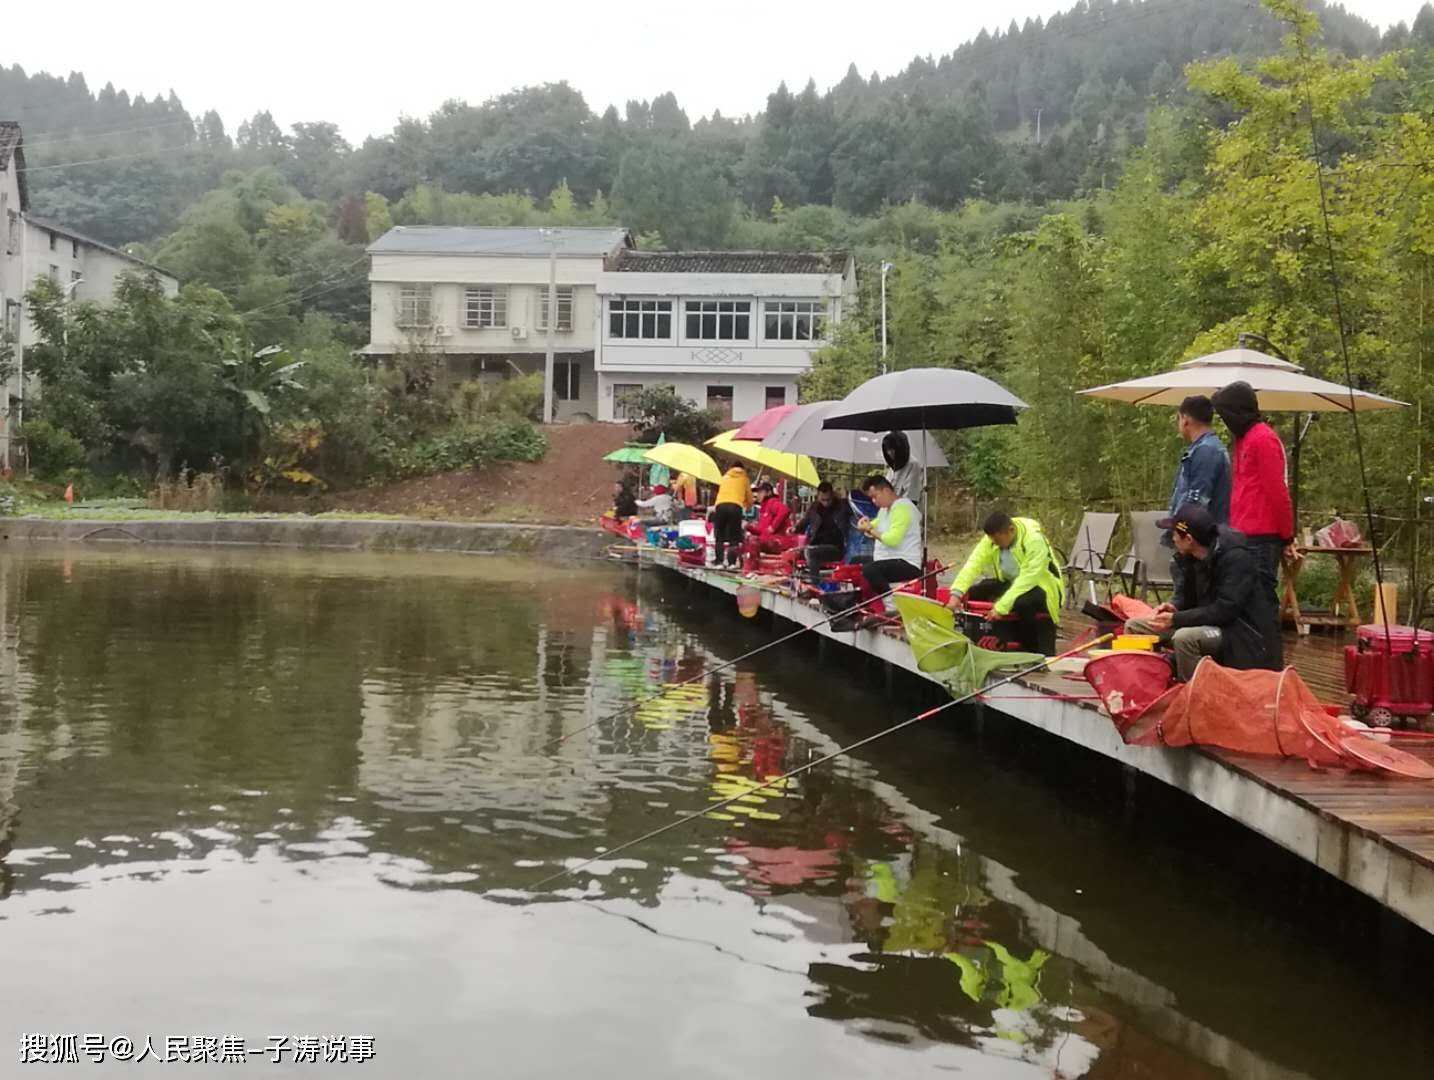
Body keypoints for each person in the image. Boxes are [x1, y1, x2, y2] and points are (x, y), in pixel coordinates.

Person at [1125, 503, 1282, 680]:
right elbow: (1188, 600)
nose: (1172, 539)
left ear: (1189, 539)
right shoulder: (1190, 558)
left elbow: (1224, 610)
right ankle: (1143, 685)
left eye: (1175, 534)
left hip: (1239, 634)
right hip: (1208, 622)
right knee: (1135, 626)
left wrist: (1177, 619)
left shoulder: (1236, 559)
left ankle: (1195, 695)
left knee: (1185, 638)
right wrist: (1174, 608)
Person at [1211, 381, 1298, 611]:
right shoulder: (1242, 440)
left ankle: (1266, 644)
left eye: (1225, 415)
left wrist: (1287, 535)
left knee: (1260, 598)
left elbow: (1277, 492)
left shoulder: (1263, 439)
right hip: (1241, 534)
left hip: (1261, 536)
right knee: (1242, 599)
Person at [948, 511, 1063, 655]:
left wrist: (1001, 608)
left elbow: (1027, 579)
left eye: (997, 541)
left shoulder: (1034, 540)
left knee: (1022, 602)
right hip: (1012, 582)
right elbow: (973, 564)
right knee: (978, 590)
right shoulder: (991, 539)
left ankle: (1029, 648)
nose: (994, 544)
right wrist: (956, 594)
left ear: (1011, 531)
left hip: (1042, 586)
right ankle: (980, 638)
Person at [1164, 395, 1231, 546]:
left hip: (1201, 541)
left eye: (1178, 418)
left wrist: (1181, 532)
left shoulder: (1206, 451)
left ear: (1185, 419)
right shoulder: (1202, 448)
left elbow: (1197, 501)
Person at [852, 475, 923, 595]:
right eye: (871, 498)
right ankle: (859, 596)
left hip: (906, 562)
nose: (874, 501)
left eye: (875, 496)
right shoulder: (884, 510)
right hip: (888, 559)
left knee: (870, 569)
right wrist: (863, 525)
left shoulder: (903, 508)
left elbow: (892, 540)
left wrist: (869, 529)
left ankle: (889, 602)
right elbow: (872, 526)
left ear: (886, 491)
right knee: (855, 561)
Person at [793, 482, 851, 566]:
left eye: (828, 500)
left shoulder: (842, 505)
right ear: (818, 496)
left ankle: (814, 579)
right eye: (823, 500)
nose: (826, 503)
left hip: (835, 546)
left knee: (810, 552)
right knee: (794, 553)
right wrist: (794, 528)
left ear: (832, 495)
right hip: (815, 544)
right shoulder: (814, 507)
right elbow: (804, 522)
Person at [711, 463, 752, 567]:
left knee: (719, 535)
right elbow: (749, 497)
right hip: (735, 507)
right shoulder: (744, 479)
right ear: (743, 469)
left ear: (731, 468)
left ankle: (719, 561)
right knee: (734, 537)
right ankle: (732, 563)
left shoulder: (724, 477)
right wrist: (748, 507)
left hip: (720, 506)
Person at [882, 432, 926, 510]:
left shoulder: (913, 465)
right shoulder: (892, 467)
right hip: (891, 511)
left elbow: (912, 497)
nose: (889, 453)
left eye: (892, 450)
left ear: (900, 448)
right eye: (887, 450)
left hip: (906, 512)